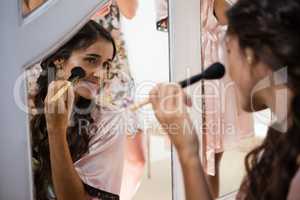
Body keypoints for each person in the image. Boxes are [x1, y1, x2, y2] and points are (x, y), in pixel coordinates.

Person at [149, 0, 300, 199]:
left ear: (250, 55)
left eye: (227, 50)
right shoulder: (282, 137)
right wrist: (189, 151)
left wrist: (188, 155)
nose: (225, 66)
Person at [29, 20, 132, 200]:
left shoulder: (109, 120)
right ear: (59, 61)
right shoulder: (23, 108)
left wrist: (56, 131)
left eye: (106, 65)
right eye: (91, 60)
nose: (101, 74)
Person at [92, 1, 146, 199]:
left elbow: (130, 11)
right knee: (92, 164)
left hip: (117, 69)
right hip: (82, 66)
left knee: (136, 161)